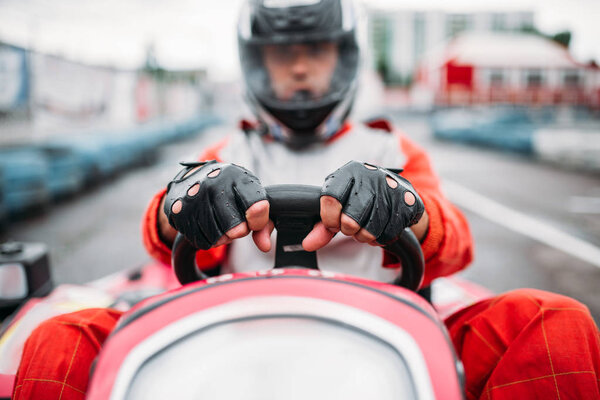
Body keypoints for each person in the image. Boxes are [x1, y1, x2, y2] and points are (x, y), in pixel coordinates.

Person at [13, 0, 600, 399]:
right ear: (254, 62)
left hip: (387, 327)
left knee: (555, 321)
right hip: (233, 324)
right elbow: (160, 235)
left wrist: (406, 207)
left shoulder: (393, 149)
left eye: (314, 51)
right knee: (59, 337)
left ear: (342, 56)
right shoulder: (225, 153)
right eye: (280, 54)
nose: (297, 68)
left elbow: (455, 246)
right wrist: (184, 205)